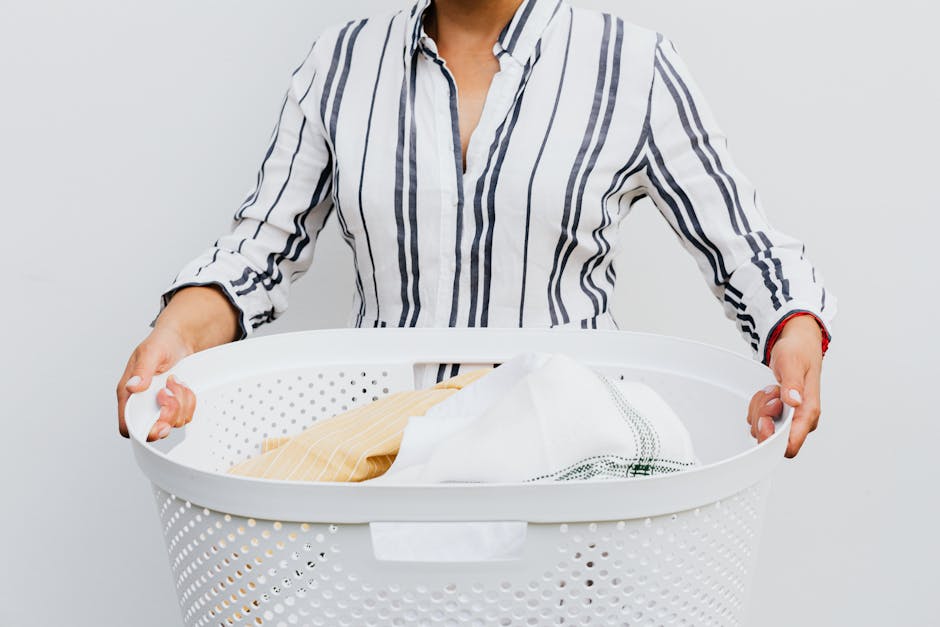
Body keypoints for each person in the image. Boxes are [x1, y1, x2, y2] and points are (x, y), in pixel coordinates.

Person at [116, 0, 836, 458]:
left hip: (573, 464)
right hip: (385, 461)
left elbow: (745, 245)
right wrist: (174, 336)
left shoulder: (633, 65)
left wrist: (793, 331)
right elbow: (261, 246)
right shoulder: (339, 64)